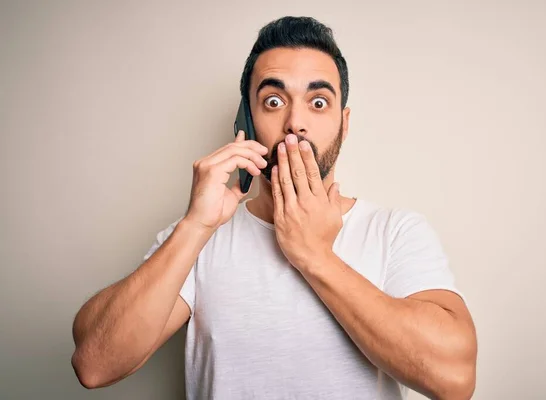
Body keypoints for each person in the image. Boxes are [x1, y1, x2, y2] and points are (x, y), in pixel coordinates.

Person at [71, 16, 477, 400]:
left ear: (344, 123)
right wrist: (195, 226)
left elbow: (455, 379)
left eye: (318, 102)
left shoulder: (394, 231)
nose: (295, 122)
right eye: (273, 101)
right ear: (245, 119)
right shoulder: (202, 236)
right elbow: (93, 363)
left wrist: (315, 256)